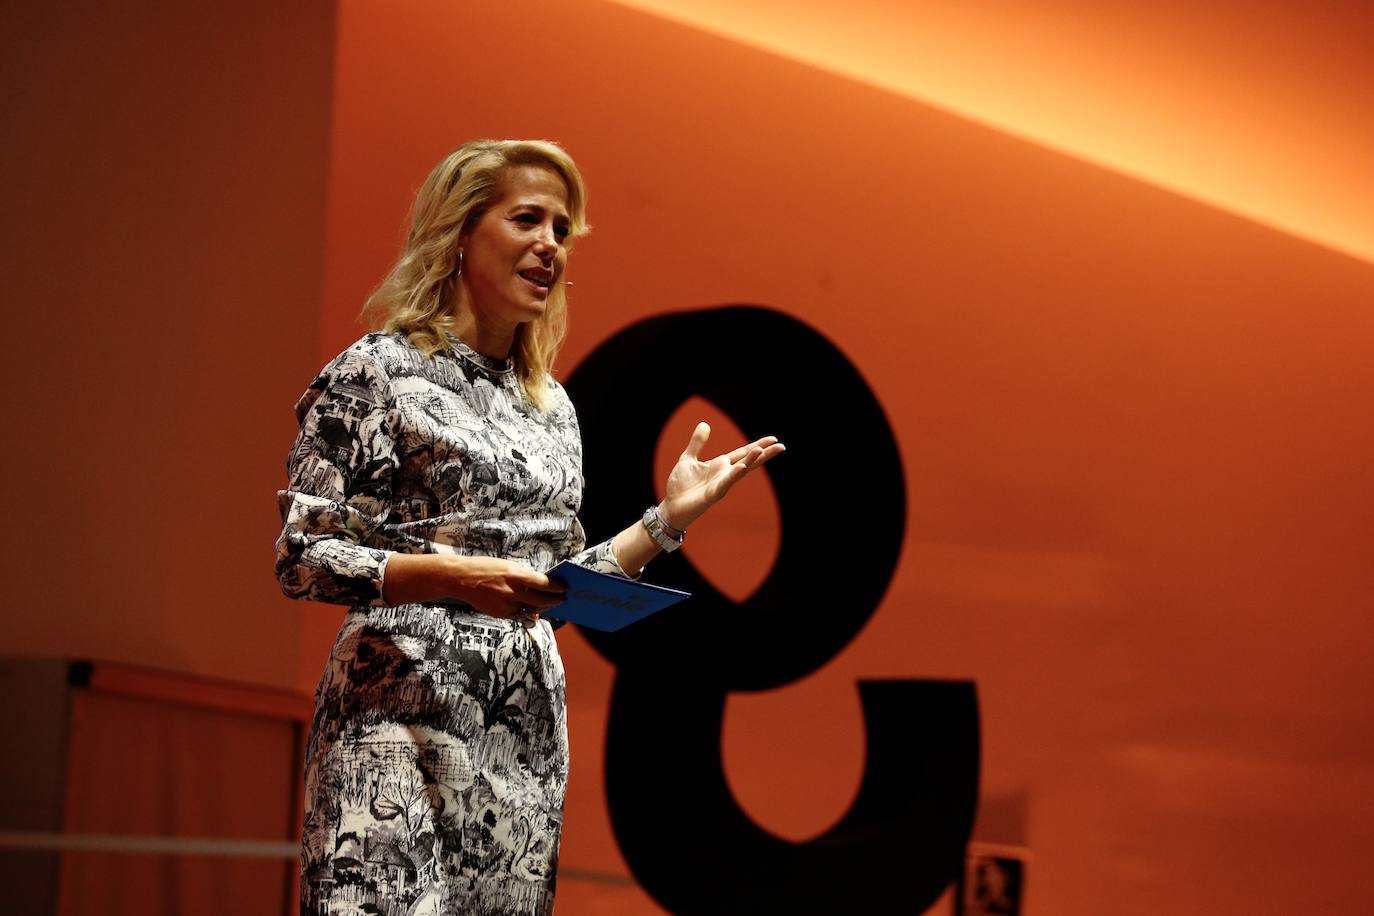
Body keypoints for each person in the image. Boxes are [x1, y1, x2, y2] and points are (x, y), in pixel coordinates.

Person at [275, 139, 784, 916]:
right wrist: (459, 579)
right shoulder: (376, 371)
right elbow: (303, 558)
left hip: (520, 740)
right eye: (528, 219)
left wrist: (666, 521)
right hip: (396, 727)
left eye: (562, 229)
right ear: (460, 232)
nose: (551, 244)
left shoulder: (552, 409)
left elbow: (557, 591)